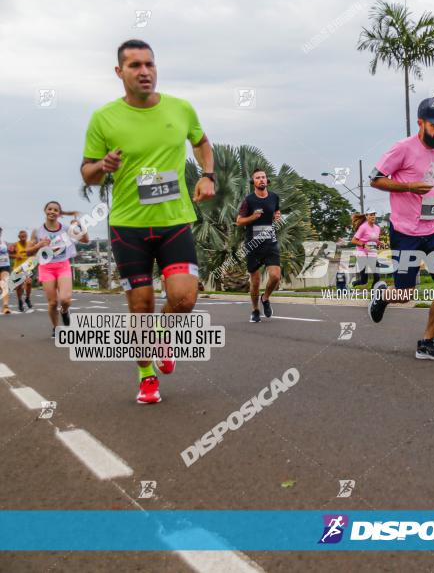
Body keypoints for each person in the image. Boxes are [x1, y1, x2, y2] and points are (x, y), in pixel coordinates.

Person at [80, 39, 215, 403]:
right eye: (135, 65)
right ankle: (145, 375)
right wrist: (101, 167)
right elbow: (88, 173)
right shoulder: (103, 118)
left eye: (149, 64)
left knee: (184, 300)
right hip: (129, 227)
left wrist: (208, 175)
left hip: (174, 222)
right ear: (119, 72)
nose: (144, 72)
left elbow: (202, 143)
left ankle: (163, 335)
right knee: (140, 306)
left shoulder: (181, 108)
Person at [367, 98, 434, 360]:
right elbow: (375, 179)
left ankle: (427, 342)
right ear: (421, 123)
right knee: (405, 295)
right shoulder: (402, 149)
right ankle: (383, 295)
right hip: (405, 233)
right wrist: (410, 187)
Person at [27, 204, 89, 335]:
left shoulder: (66, 229)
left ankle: (65, 311)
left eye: (56, 210)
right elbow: (27, 252)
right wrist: (39, 245)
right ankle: (56, 328)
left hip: (63, 266)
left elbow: (85, 239)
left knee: (65, 300)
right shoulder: (37, 232)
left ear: (59, 214)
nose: (52, 212)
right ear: (45, 211)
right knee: (53, 303)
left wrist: (79, 225)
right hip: (46, 268)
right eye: (50, 209)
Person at [236, 168, 282, 323]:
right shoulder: (248, 200)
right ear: (253, 182)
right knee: (255, 282)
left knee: (275, 276)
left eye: (263, 177)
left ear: (267, 180)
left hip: (270, 241)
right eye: (258, 178)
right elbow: (239, 221)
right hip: (253, 245)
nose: (261, 179)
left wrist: (277, 215)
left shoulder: (274, 197)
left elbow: (276, 212)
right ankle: (255, 310)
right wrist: (253, 217)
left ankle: (266, 298)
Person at [350, 209, 382, 289]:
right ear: (366, 216)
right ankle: (351, 284)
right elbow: (353, 240)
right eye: (371, 215)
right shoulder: (363, 227)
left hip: (372, 254)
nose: (373, 216)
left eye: (374, 214)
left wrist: (379, 243)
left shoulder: (377, 228)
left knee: (377, 276)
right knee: (364, 280)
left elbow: (374, 239)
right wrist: (364, 245)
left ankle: (373, 294)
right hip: (362, 254)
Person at [10, 230, 33, 312]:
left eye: (25, 236)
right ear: (19, 237)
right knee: (19, 286)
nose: (23, 238)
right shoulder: (15, 245)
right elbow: (9, 254)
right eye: (22, 237)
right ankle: (20, 300)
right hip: (18, 268)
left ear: (27, 236)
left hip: (27, 268)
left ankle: (27, 298)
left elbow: (34, 252)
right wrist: (16, 256)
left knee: (29, 282)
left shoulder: (30, 244)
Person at [0, 229, 11, 315]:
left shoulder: (4, 242)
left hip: (5, 265)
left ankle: (5, 306)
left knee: (5, 284)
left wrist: (11, 250)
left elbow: (9, 251)